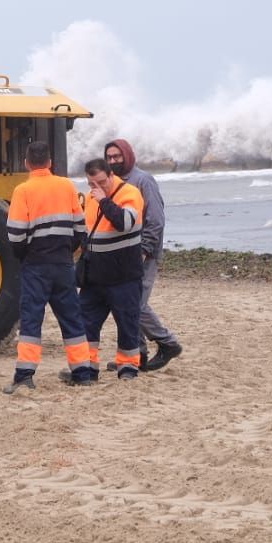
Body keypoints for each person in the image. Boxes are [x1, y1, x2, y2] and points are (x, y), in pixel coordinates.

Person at [2, 141, 92, 393]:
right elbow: (80, 227)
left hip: (36, 264)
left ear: (27, 163)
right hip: (63, 263)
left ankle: (24, 376)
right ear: (50, 162)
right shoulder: (66, 186)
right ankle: (82, 372)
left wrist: (23, 255)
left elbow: (16, 233)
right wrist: (68, 250)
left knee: (32, 320)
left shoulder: (23, 191)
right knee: (72, 318)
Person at [104, 139, 184, 371]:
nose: (113, 161)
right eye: (109, 157)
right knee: (124, 304)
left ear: (127, 155)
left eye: (117, 156)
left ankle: (168, 343)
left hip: (143, 254)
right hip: (122, 254)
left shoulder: (143, 181)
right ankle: (137, 354)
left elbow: (156, 220)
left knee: (136, 305)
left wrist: (145, 249)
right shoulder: (114, 184)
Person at [77, 157, 146, 382]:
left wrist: (104, 200)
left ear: (110, 175)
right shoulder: (90, 198)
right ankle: (87, 368)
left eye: (100, 182)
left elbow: (124, 222)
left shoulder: (130, 194)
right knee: (85, 322)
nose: (96, 188)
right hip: (95, 276)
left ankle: (127, 367)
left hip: (123, 275)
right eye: (91, 184)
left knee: (127, 322)